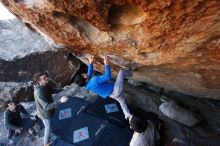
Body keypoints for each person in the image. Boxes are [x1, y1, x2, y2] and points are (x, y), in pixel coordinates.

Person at [75, 55, 132, 119]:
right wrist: (106, 64)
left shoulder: (87, 86)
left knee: (122, 102)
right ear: (85, 79)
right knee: (121, 72)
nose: (84, 73)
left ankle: (127, 115)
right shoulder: (94, 80)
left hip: (112, 95)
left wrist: (90, 63)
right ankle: (131, 72)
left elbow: (89, 75)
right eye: (83, 75)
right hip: (116, 89)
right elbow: (108, 76)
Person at [33, 72, 68, 146]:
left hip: (47, 110)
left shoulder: (45, 85)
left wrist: (62, 89)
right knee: (47, 127)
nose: (46, 78)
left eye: (46, 77)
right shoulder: (39, 92)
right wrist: (60, 101)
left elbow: (52, 91)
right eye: (44, 78)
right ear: (39, 81)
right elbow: (47, 106)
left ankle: (51, 135)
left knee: (49, 125)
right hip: (44, 113)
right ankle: (45, 144)